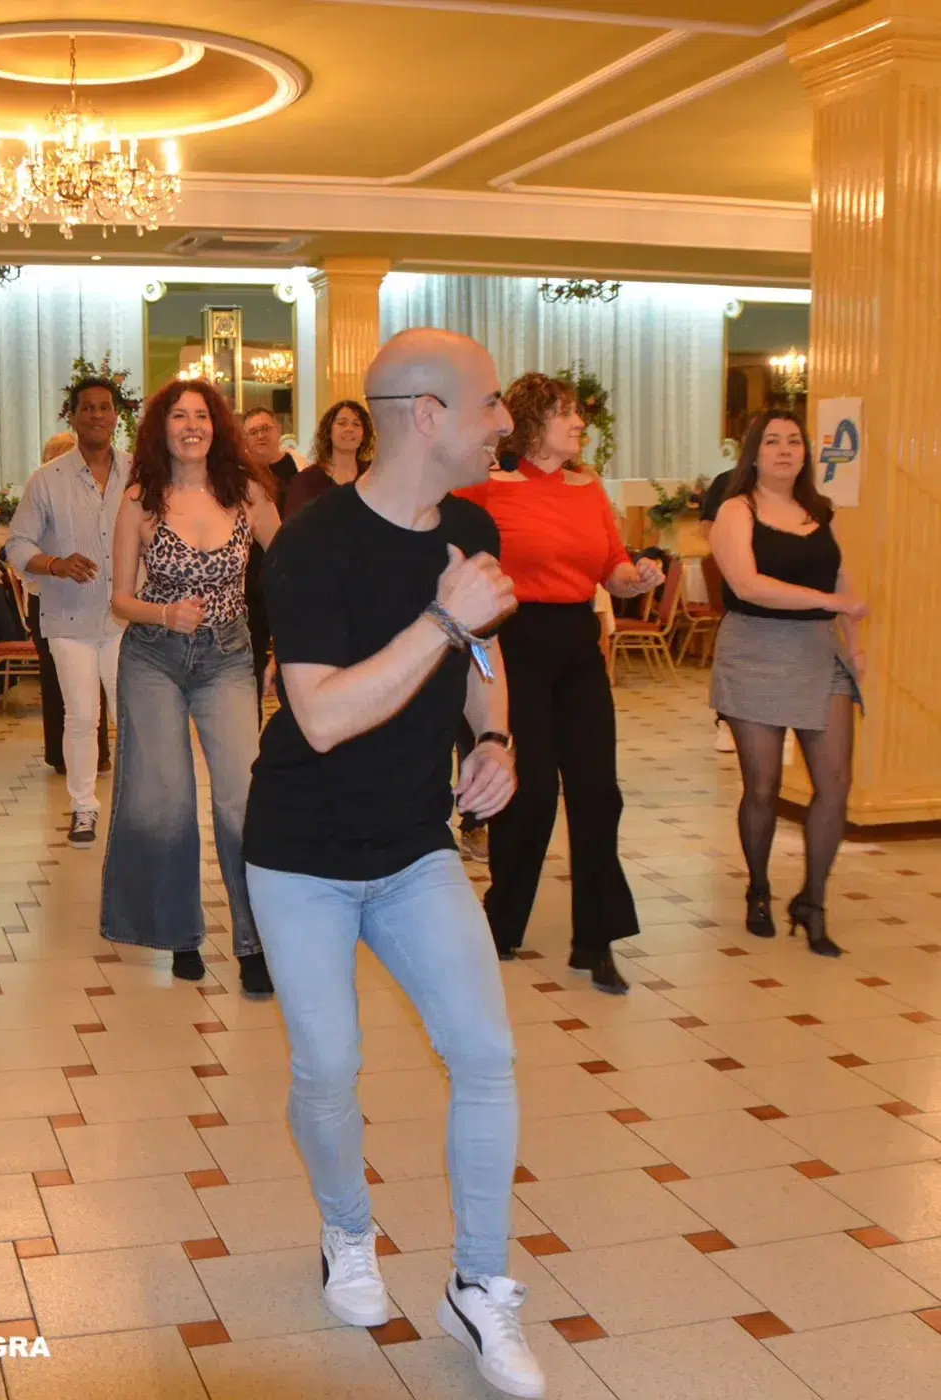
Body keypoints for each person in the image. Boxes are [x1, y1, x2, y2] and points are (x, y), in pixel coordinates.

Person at [244, 328, 542, 1400]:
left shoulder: (470, 524)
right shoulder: (309, 544)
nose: (504, 422)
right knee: (328, 1065)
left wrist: (494, 738)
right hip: (302, 852)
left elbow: (482, 658)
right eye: (490, 403)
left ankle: (478, 1282)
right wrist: (441, 617)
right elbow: (321, 716)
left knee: (486, 1052)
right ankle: (347, 1233)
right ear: (427, 414)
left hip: (416, 844)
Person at [456, 374, 661, 995]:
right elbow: (450, 554)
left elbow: (610, 565)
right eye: (566, 414)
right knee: (534, 790)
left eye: (578, 414)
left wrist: (634, 578)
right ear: (531, 423)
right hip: (514, 643)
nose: (579, 424)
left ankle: (595, 940)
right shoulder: (487, 487)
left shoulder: (588, 487)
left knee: (599, 792)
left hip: (577, 644)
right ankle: (502, 921)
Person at [105, 379, 281, 993]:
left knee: (240, 799)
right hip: (152, 657)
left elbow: (291, 565)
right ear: (162, 429)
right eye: (178, 416)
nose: (191, 426)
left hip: (228, 656)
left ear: (217, 426)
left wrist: (289, 647)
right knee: (167, 799)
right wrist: (165, 613)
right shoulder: (139, 500)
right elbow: (120, 600)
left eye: (201, 415)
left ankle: (254, 940)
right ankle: (180, 933)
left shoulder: (247, 493)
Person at [709, 411, 866, 957]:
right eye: (772, 441)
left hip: (820, 652)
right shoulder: (736, 510)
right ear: (753, 454)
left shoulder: (819, 511)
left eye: (794, 441)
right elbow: (748, 586)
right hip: (755, 650)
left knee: (835, 783)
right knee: (763, 786)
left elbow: (842, 579)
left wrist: (855, 645)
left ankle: (813, 901)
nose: (784, 450)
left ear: (806, 452)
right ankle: (758, 888)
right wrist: (829, 602)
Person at [5, 379, 129, 845]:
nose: (97, 415)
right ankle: (83, 808)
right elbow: (18, 545)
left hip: (125, 618)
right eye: (87, 408)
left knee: (131, 717)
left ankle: (135, 808)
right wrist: (55, 564)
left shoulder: (138, 473)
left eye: (105, 407)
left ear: (116, 416)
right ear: (72, 417)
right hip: (69, 620)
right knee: (80, 716)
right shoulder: (47, 480)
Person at [15, 432, 111, 776]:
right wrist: (53, 565)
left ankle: (98, 752)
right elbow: (22, 551)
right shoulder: (39, 491)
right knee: (58, 683)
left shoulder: (99, 492)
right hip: (48, 602)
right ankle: (60, 755)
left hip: (95, 602)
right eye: (57, 456)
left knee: (95, 684)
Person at [241, 407, 303, 713]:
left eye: (265, 428)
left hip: (291, 580)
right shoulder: (240, 478)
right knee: (251, 665)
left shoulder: (299, 471)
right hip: (250, 584)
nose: (261, 436)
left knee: (295, 659)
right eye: (253, 432)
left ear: (277, 430)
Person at [698, 465, 738, 754]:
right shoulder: (727, 481)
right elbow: (707, 527)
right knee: (733, 652)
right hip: (736, 578)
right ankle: (726, 720)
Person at [283, 399, 375, 521]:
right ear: (329, 432)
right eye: (342, 423)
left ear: (364, 435)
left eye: (356, 424)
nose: (349, 429)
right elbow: (294, 527)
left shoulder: (374, 477)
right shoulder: (305, 481)